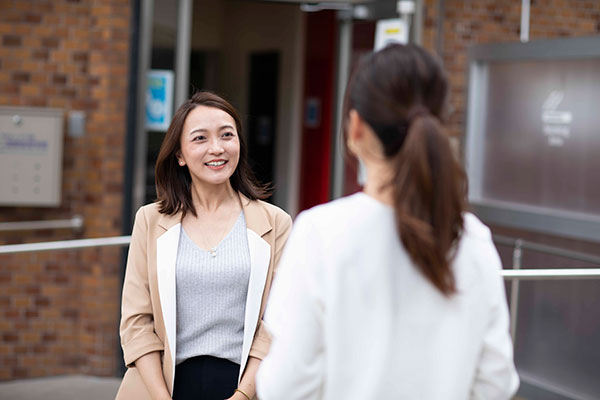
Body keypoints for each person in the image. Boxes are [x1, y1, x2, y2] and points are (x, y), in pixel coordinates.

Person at [256, 44, 519, 400]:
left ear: (356, 127)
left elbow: (285, 387)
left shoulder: (321, 233)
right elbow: (496, 383)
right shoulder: (472, 239)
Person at [116, 91, 292, 400]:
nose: (217, 148)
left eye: (227, 135)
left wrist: (243, 395)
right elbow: (136, 322)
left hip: (244, 385)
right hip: (163, 385)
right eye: (200, 138)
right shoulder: (149, 221)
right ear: (180, 155)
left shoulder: (275, 223)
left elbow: (277, 322)